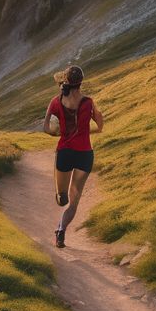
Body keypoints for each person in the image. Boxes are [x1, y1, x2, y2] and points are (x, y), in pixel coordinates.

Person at [42, 65, 103, 248]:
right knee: (74, 202)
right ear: (81, 82)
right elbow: (100, 127)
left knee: (62, 197)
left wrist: (60, 132)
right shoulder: (89, 102)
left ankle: (60, 195)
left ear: (66, 81)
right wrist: (85, 131)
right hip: (85, 154)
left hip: (65, 153)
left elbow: (46, 128)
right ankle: (61, 231)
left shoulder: (56, 101)